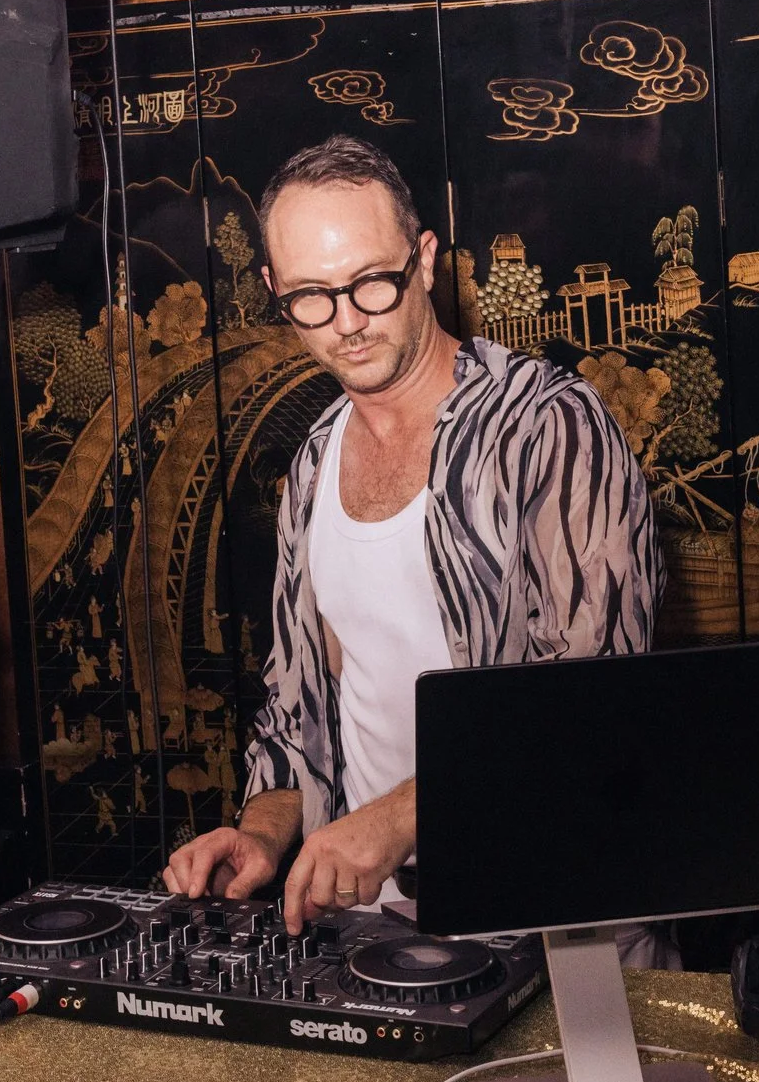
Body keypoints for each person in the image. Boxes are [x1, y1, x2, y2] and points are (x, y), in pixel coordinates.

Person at [162, 136, 667, 960]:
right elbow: (299, 717)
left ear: (424, 259)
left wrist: (397, 820)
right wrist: (259, 834)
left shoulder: (549, 428)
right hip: (385, 942)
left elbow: (590, 712)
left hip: (559, 935)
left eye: (371, 281)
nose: (348, 321)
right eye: (312, 297)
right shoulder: (314, 463)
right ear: (273, 290)